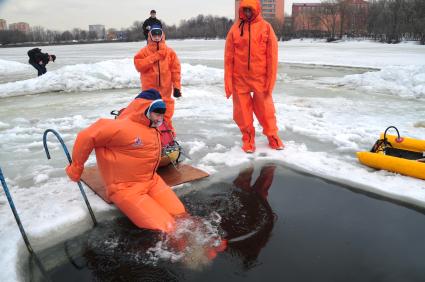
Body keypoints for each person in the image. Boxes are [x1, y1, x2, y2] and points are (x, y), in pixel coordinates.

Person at [65, 89, 187, 233]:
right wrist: (76, 167)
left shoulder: (152, 128)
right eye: (156, 112)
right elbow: (86, 136)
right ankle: (193, 255)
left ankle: (210, 248)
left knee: (182, 216)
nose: (160, 117)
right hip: (126, 188)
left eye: (162, 112)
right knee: (168, 228)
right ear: (144, 110)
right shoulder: (119, 126)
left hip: (151, 181)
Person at [224, 0, 284, 153]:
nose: (248, 13)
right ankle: (248, 138)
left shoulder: (266, 28)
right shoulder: (235, 29)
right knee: (242, 113)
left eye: (250, 10)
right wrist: (228, 82)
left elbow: (272, 56)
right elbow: (228, 58)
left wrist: (270, 81)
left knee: (266, 110)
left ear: (256, 10)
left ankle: (272, 136)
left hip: (260, 78)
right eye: (245, 10)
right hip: (240, 79)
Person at [134, 25, 181, 133]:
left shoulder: (170, 52)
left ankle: (168, 135)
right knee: (149, 113)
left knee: (167, 113)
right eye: (154, 34)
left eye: (158, 34)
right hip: (149, 91)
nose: (156, 36)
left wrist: (177, 87)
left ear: (162, 35)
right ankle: (150, 135)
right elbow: (139, 66)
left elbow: (175, 70)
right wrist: (156, 56)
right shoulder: (143, 52)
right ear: (150, 35)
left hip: (166, 90)